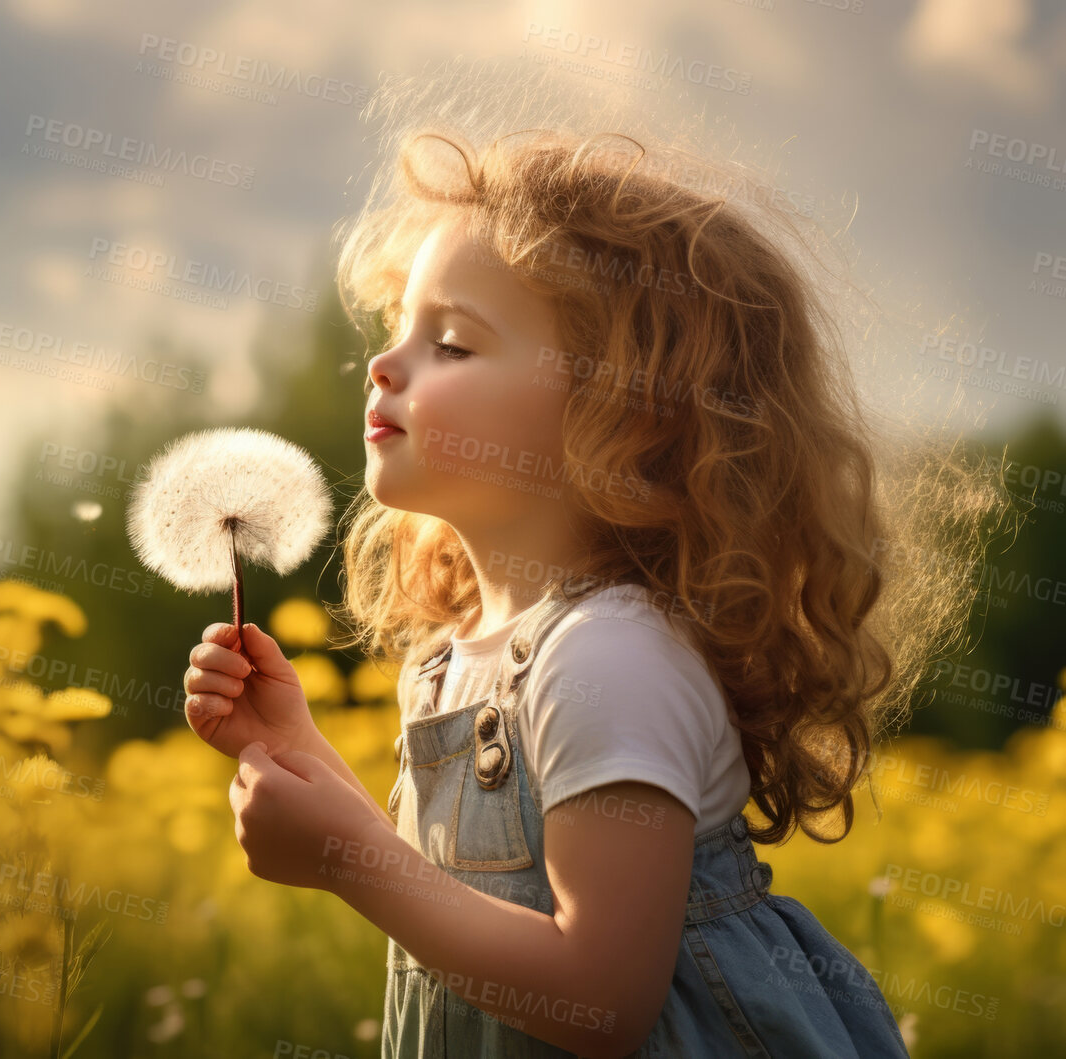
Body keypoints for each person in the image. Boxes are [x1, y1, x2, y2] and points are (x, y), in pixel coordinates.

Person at [180, 88, 990, 1057]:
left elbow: (600, 999)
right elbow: (448, 897)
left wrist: (349, 862)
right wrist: (297, 752)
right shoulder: (454, 661)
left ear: (623, 411)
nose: (383, 365)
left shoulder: (607, 659)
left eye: (451, 342)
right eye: (397, 328)